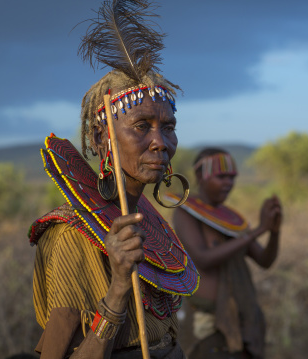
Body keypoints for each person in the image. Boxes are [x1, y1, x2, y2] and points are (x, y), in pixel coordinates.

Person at [27, 1, 198, 358]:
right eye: (141, 126)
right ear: (101, 137)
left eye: (168, 128)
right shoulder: (71, 235)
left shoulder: (145, 218)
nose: (160, 143)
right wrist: (119, 287)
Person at [170, 148, 282, 359]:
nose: (228, 183)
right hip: (208, 324)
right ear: (201, 176)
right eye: (221, 177)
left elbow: (265, 260)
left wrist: (274, 230)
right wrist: (258, 230)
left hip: (242, 319)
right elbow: (203, 258)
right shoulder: (186, 212)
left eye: (232, 178)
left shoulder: (230, 219)